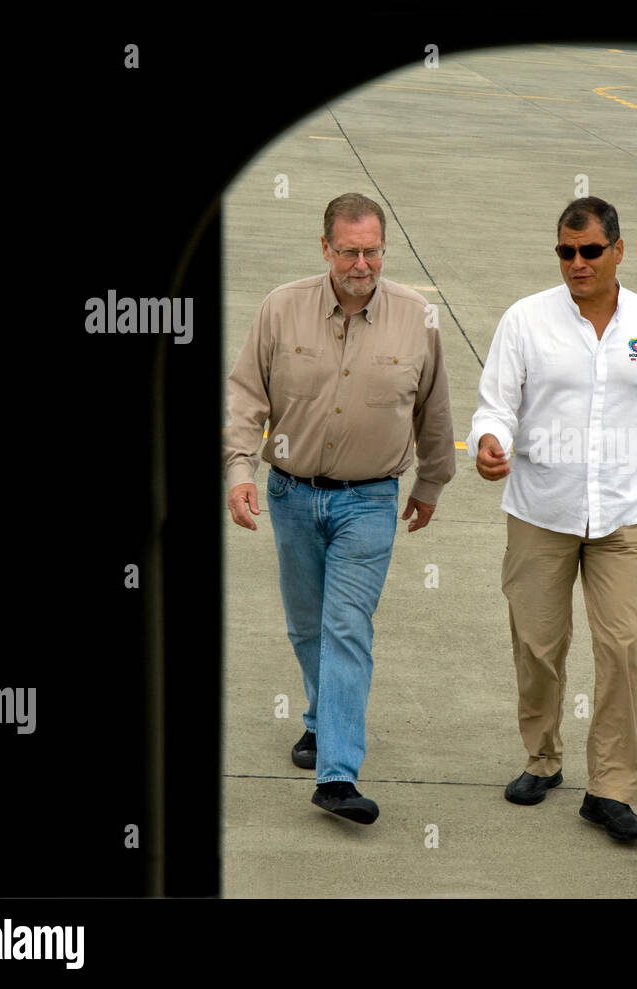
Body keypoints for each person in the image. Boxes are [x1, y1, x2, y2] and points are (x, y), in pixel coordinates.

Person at [469, 196, 637, 842]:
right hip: (541, 511)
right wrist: (488, 441)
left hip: (624, 517)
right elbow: (494, 405)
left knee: (623, 649)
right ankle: (542, 758)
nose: (577, 264)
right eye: (566, 252)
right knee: (538, 648)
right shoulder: (525, 321)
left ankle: (611, 787)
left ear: (618, 250)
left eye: (590, 251)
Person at [224, 193, 455, 825]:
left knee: (346, 626)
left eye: (373, 250)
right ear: (325, 247)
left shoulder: (419, 318)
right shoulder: (280, 308)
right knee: (307, 626)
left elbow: (433, 409)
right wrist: (239, 470)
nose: (362, 263)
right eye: (350, 251)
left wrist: (431, 483)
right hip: (291, 493)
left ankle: (336, 774)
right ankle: (319, 717)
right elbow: (245, 394)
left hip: (369, 498)